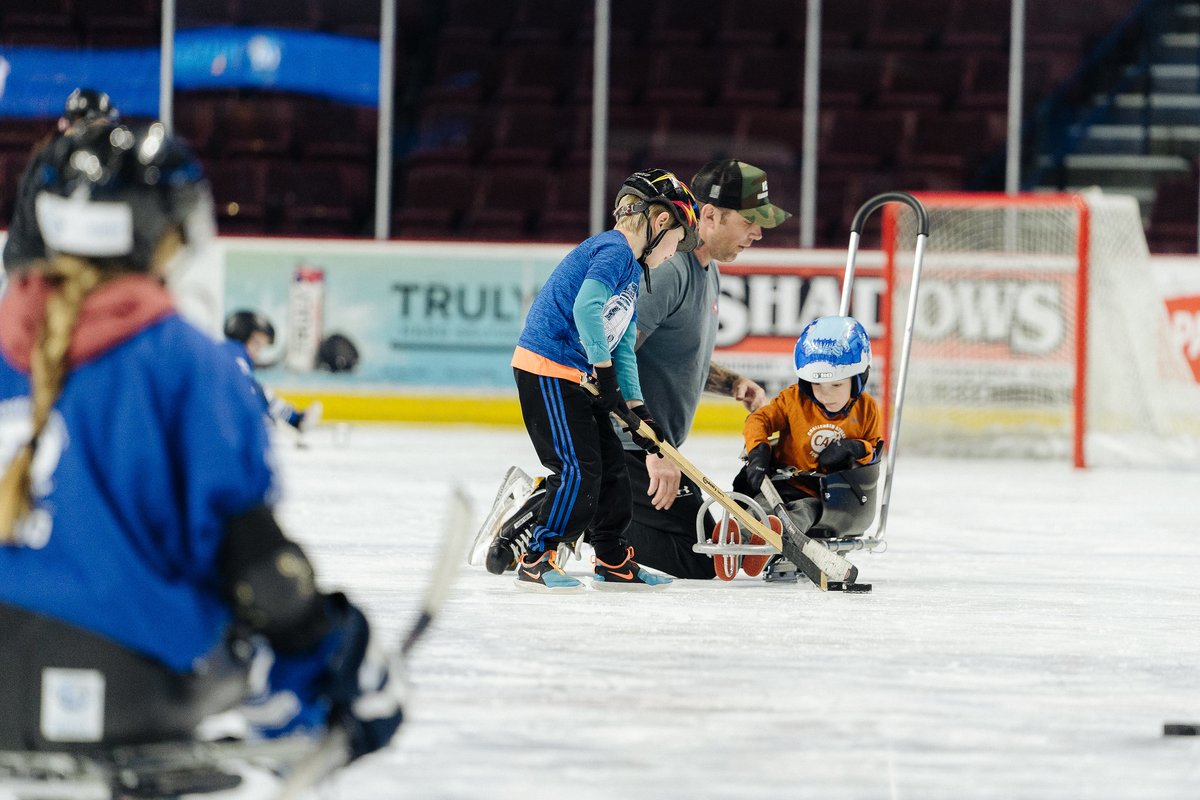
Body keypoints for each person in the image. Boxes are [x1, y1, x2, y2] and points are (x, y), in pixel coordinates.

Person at [0, 121, 402, 765]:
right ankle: (291, 726)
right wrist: (340, 658)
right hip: (126, 686)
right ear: (162, 236)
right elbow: (256, 565)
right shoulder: (182, 360)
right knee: (251, 624)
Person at [488, 168, 700, 592]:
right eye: (678, 241)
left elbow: (620, 345)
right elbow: (587, 309)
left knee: (612, 470)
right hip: (548, 371)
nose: (676, 251)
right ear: (660, 222)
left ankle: (612, 557)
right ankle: (538, 556)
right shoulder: (615, 249)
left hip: (576, 377)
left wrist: (638, 410)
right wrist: (603, 377)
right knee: (579, 470)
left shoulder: (632, 272)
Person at [616, 159, 790, 579]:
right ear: (709, 215)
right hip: (625, 447)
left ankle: (588, 510)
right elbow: (610, 357)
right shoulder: (670, 269)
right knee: (702, 555)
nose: (758, 233)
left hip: (651, 447)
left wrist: (731, 383)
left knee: (709, 548)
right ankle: (566, 505)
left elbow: (671, 352)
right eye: (750, 221)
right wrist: (654, 447)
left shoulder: (706, 269)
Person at [731, 315, 884, 578]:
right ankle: (739, 539)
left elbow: (874, 449)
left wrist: (855, 449)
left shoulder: (868, 409)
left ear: (858, 379)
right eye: (817, 385)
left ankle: (768, 542)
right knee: (758, 505)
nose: (826, 394)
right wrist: (759, 449)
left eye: (837, 384)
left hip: (830, 497)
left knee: (799, 513)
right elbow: (759, 419)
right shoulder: (794, 400)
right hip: (786, 485)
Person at [3, 88, 120, 277]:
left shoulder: (74, 158)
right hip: (33, 264)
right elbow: (43, 225)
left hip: (34, 260)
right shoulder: (57, 160)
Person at [223, 309, 323, 434]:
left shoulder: (225, 352)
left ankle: (295, 418)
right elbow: (250, 391)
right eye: (257, 344)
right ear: (244, 336)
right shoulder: (236, 356)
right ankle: (296, 418)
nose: (258, 353)